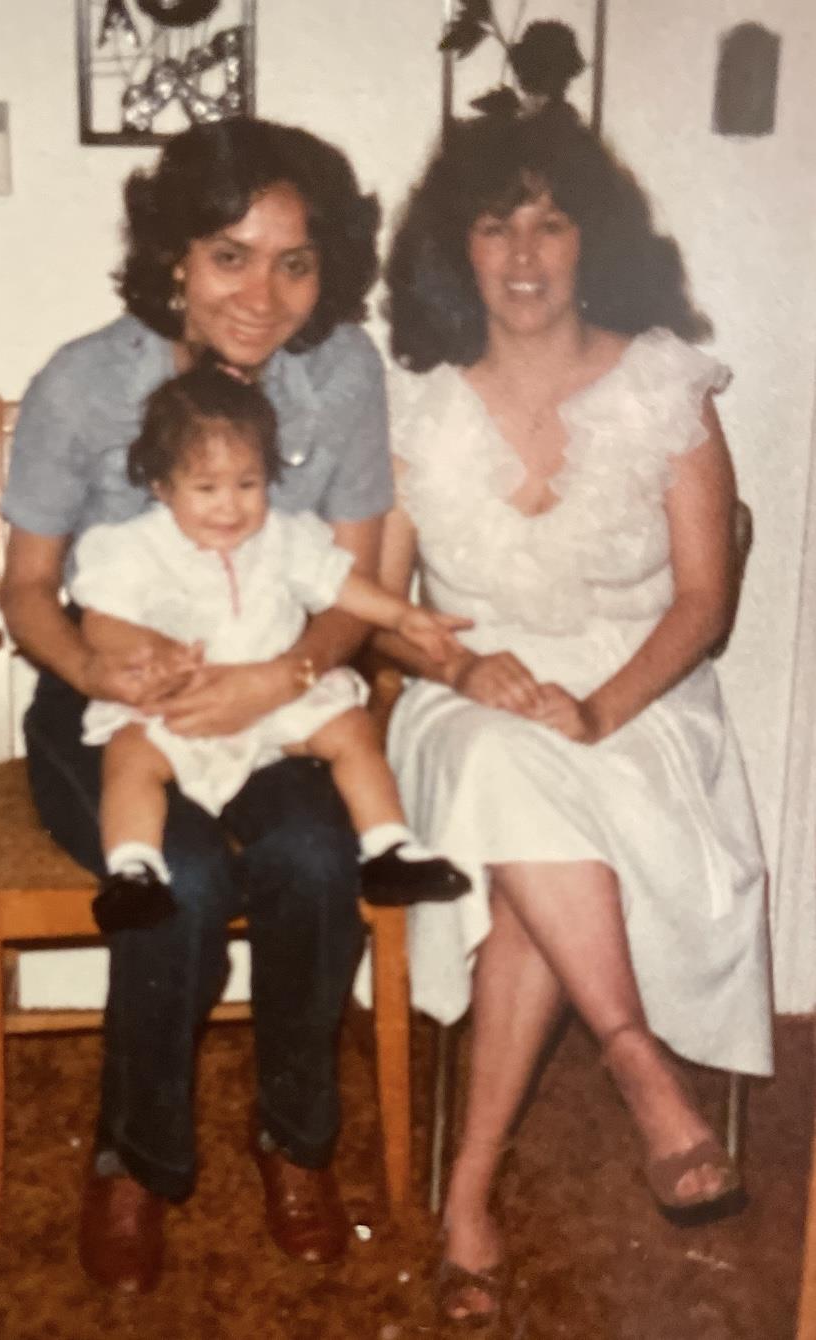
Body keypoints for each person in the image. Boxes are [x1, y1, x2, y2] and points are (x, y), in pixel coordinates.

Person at [378, 103, 773, 1325]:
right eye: (497, 224)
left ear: (590, 238)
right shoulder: (419, 406)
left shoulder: (663, 382)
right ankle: (640, 1060)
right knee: (504, 761)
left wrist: (599, 708)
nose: (526, 252)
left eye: (551, 221)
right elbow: (381, 613)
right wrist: (459, 671)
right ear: (460, 246)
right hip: (467, 697)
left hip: (643, 695)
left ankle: (469, 1196)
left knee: (527, 876)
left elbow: (704, 602)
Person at [0, 114, 399, 1290]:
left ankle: (298, 1140)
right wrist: (96, 671)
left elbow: (354, 588)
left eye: (294, 260)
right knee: (184, 873)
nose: (262, 294)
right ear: (174, 253)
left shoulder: (344, 374)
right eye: (231, 253)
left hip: (277, 700)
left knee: (320, 854)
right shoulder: (85, 381)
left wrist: (275, 678)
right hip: (114, 714)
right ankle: (137, 1159)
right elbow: (27, 588)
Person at [72, 361, 471, 933]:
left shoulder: (285, 538)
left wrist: (404, 615)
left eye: (248, 484)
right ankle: (133, 869)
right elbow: (101, 623)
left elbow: (342, 585)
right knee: (130, 754)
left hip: (277, 702)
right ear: (162, 486)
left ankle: (389, 847)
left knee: (351, 729)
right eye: (205, 488)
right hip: (180, 702)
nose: (230, 507)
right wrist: (153, 649)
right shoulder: (132, 548)